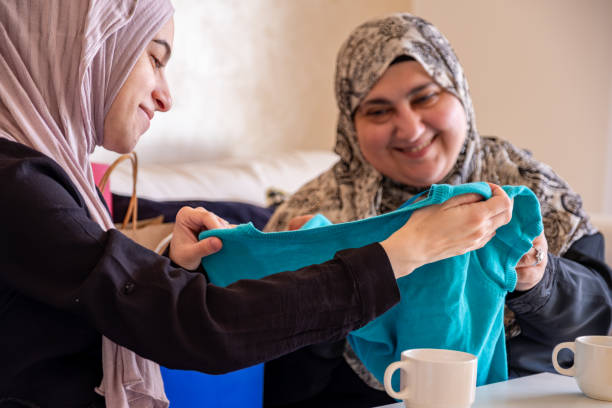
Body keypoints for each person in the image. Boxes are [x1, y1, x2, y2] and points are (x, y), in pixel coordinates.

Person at [0, 3, 514, 407]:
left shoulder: (38, 178)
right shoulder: (17, 185)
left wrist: (166, 266)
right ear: (81, 45)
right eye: (154, 57)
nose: (165, 97)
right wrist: (403, 252)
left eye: (425, 98)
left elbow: (103, 299)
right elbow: (190, 323)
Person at [263, 13, 612, 408]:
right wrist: (326, 290)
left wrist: (539, 277)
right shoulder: (313, 215)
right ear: (350, 125)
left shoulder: (531, 189)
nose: (410, 129)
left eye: (425, 97)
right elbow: (281, 388)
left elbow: (600, 328)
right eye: (378, 110)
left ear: (459, 92)